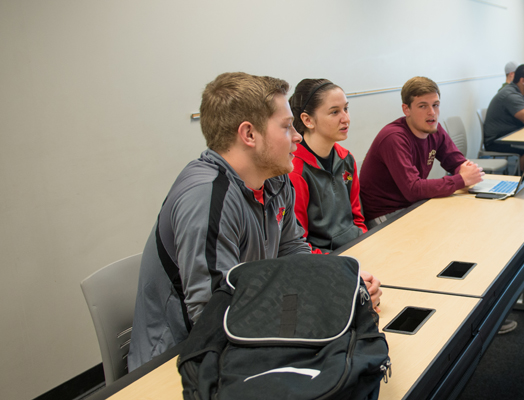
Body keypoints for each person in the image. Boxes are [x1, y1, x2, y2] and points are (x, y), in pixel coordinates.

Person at [129, 72, 382, 370]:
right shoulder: (206, 197)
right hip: (182, 358)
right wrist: (321, 303)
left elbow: (293, 253)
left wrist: (342, 283)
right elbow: (211, 313)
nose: (298, 136)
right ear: (249, 135)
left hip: (245, 331)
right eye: (287, 127)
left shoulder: (275, 180)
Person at [360, 76, 485, 227]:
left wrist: (465, 169)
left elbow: (456, 161)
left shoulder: (434, 129)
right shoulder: (394, 138)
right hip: (386, 214)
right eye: (423, 106)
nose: (432, 112)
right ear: (406, 109)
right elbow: (413, 189)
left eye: (436, 105)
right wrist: (462, 179)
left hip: (412, 205)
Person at [287, 79, 366, 253]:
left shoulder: (347, 159)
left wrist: (365, 244)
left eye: (346, 109)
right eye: (334, 112)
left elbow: (358, 219)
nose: (345, 118)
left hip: (356, 248)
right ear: (308, 120)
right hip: (326, 260)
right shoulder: (295, 170)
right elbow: (298, 243)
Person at [483, 64, 524, 173]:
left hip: (512, 135)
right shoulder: (510, 94)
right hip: (498, 140)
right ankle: (520, 179)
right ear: (523, 80)